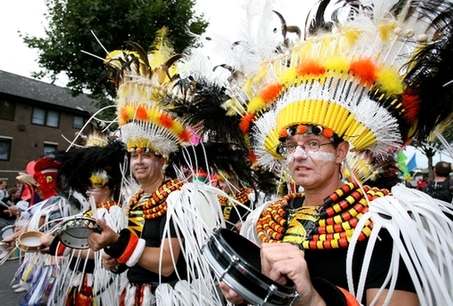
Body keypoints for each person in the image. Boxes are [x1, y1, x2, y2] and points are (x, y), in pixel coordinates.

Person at [214, 0, 453, 305]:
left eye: (314, 143)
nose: (298, 155)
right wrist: (243, 294)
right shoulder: (268, 220)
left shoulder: (382, 222)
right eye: (291, 145)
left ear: (341, 152)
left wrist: (313, 299)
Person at [86, 31, 226, 305]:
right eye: (134, 153)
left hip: (170, 297)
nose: (138, 161)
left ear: (163, 158)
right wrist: (113, 260)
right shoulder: (133, 201)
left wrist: (117, 243)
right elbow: (128, 257)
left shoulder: (179, 199)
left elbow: (165, 264)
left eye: (147, 154)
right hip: (134, 295)